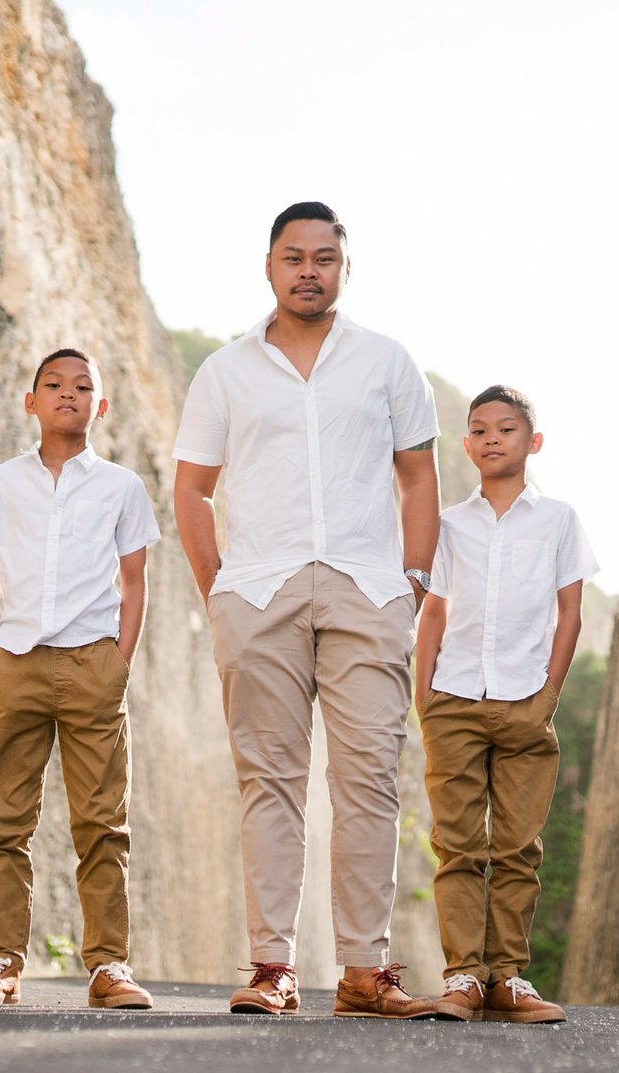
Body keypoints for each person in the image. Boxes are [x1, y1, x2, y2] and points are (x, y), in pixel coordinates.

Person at [174, 201, 441, 1019]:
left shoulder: (389, 363)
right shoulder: (226, 371)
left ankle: (366, 972)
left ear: (345, 270)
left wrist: (414, 580)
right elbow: (191, 488)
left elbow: (420, 477)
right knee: (271, 783)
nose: (309, 270)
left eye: (325, 257)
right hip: (258, 591)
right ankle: (272, 969)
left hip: (366, 588)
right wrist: (220, 588)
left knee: (369, 783)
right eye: (294, 257)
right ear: (269, 266)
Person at [0, 348, 161, 1010]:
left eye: (82, 387)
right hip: (15, 662)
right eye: (53, 384)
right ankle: (1, 964)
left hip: (90, 664)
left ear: (100, 407)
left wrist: (117, 665)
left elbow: (135, 584)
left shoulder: (122, 487)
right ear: (31, 402)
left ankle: (108, 966)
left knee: (102, 823)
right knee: (3, 823)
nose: (67, 394)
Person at [413, 385, 599, 1023]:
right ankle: (464, 975)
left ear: (533, 441)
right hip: (455, 696)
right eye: (480, 430)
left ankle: (509, 978)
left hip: (526, 699)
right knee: (458, 845)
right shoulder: (449, 523)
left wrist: (548, 692)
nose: (492, 439)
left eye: (507, 429)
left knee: (518, 847)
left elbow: (569, 612)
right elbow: (433, 608)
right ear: (466, 445)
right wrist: (425, 694)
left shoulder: (559, 520)